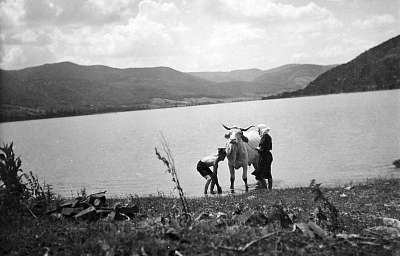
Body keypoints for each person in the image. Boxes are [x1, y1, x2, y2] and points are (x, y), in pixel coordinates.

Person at [253, 124, 273, 190]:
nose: (258, 131)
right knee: (267, 173)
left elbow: (263, 148)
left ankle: (266, 188)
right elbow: (267, 147)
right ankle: (269, 189)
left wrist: (258, 149)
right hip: (267, 156)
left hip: (265, 157)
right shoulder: (267, 136)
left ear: (262, 130)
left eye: (259, 130)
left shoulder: (265, 137)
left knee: (259, 175)